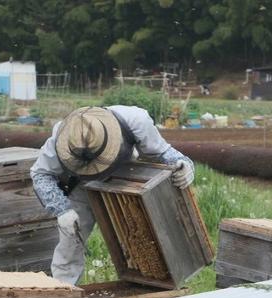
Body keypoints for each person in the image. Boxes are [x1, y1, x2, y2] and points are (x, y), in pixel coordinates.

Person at [30, 106, 194, 284]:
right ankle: (63, 297)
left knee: (138, 240)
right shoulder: (63, 133)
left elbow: (163, 153)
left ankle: (144, 287)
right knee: (70, 243)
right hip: (81, 185)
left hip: (125, 179)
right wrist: (62, 210)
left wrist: (184, 164)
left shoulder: (136, 121)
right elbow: (40, 173)